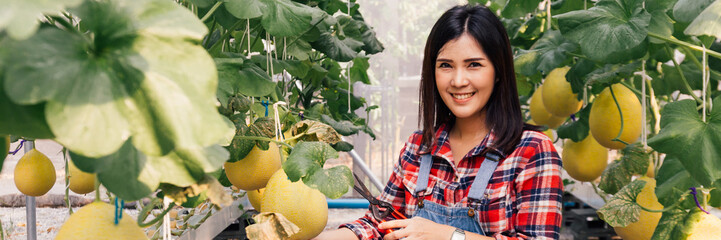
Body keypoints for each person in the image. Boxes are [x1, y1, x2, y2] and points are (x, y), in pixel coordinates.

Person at [315, 4, 562, 240]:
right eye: (445, 66)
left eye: (474, 65)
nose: (458, 80)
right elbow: (379, 225)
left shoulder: (532, 151)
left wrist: (447, 235)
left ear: (498, 72)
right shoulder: (418, 147)